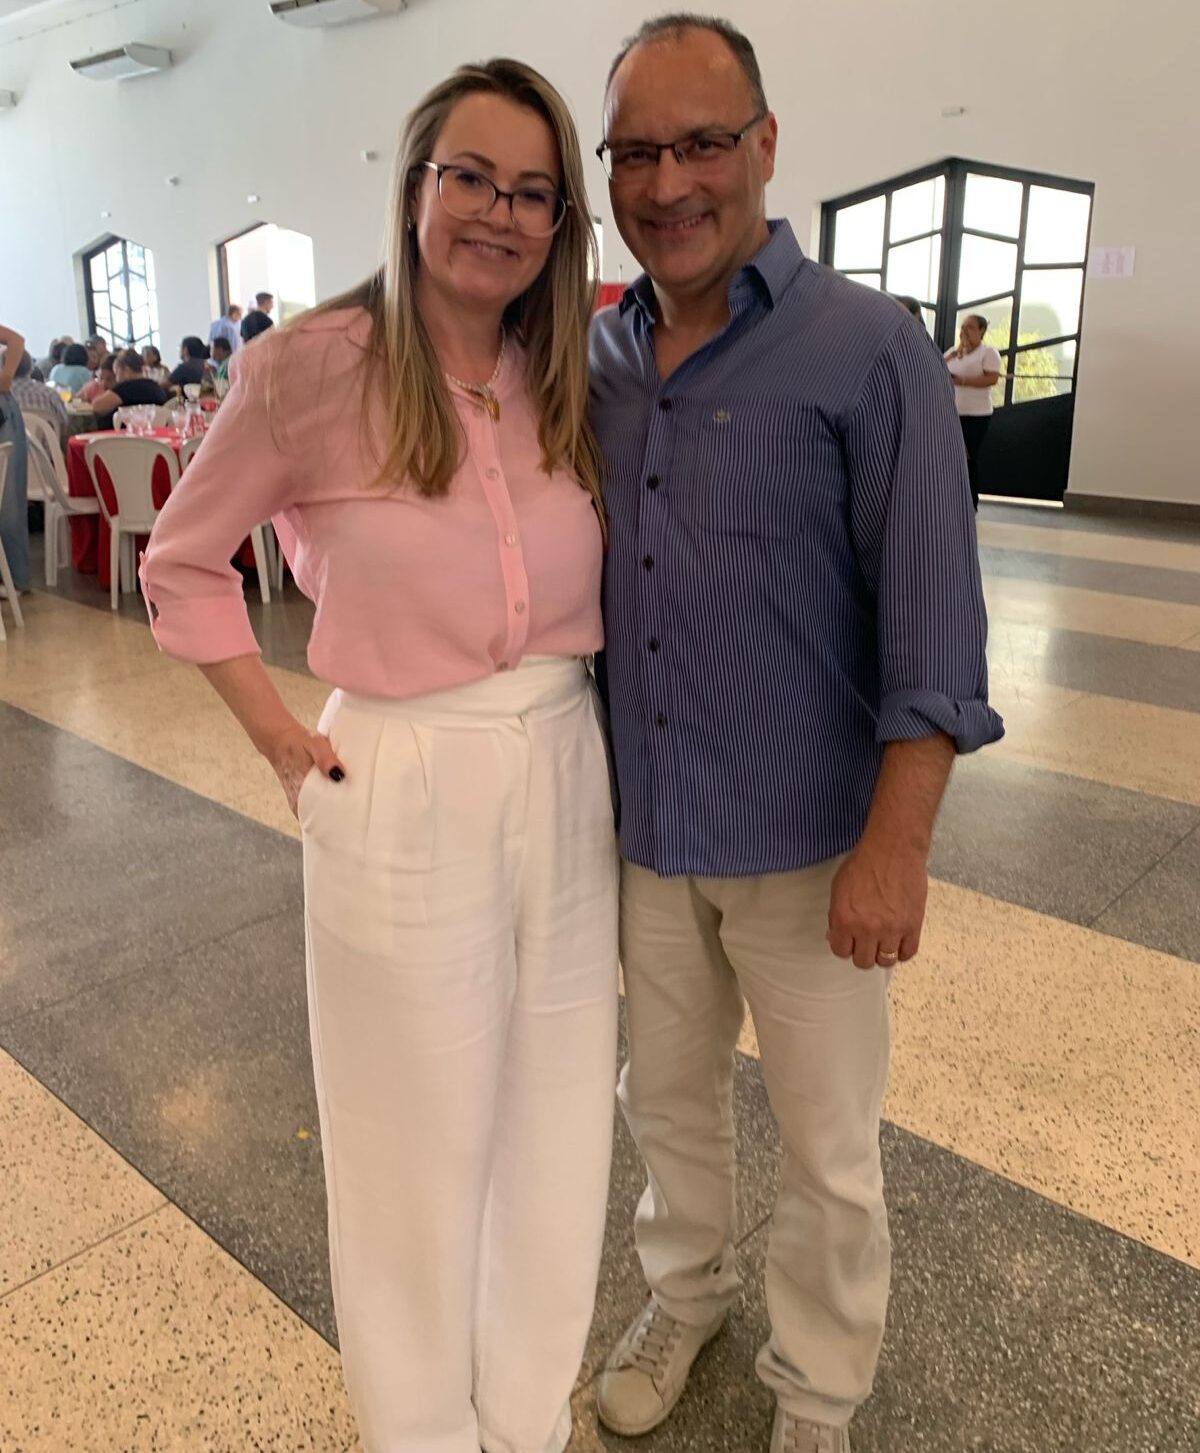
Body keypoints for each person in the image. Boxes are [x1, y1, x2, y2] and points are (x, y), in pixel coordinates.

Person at [140, 58, 618, 1453]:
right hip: (403, 766)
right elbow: (182, 560)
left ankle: (524, 1420)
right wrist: (280, 739)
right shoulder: (309, 367)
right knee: (411, 1144)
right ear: (414, 187)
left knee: (558, 1125)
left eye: (532, 192)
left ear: (560, 221)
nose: (498, 213)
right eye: (470, 177)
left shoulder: (561, 372)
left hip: (565, 759)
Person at [589, 16, 1004, 1453]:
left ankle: (819, 1389)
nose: (670, 182)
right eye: (636, 152)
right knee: (666, 1102)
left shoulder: (867, 350)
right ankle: (683, 1295)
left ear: (765, 145)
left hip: (813, 843)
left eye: (703, 143)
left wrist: (898, 847)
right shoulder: (600, 356)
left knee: (829, 1145)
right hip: (651, 832)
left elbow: (935, 621)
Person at [945, 313, 1002, 510]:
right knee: (950, 456)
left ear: (981, 331)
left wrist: (962, 381)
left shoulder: (988, 353)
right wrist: (954, 354)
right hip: (953, 412)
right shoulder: (953, 352)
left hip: (976, 415)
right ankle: (950, 498)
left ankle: (970, 501)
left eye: (969, 327)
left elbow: (992, 379)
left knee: (967, 456)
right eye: (962, 327)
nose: (964, 331)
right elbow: (939, 368)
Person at [0, 324, 31, 593]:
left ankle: (15, 579)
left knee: (8, 501)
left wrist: (6, 376)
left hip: (2, 414)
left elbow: (16, 340)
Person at [90, 348, 168, 430]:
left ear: (126, 370)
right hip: (155, 434)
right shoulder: (157, 387)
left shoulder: (125, 388)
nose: (116, 379)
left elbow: (97, 407)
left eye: (117, 373)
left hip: (121, 435)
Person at [10, 350, 70, 443]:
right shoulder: (50, 394)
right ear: (31, 369)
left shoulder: (4, 395)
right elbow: (64, 426)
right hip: (48, 450)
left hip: (7, 450)